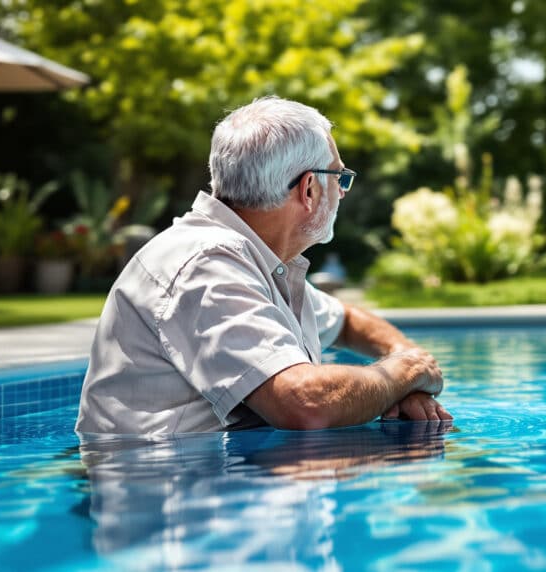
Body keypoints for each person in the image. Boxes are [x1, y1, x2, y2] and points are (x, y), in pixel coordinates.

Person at [75, 96, 451, 435]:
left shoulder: (256, 261)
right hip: (165, 485)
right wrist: (403, 373)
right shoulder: (206, 265)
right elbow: (304, 404)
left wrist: (406, 373)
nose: (341, 191)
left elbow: (349, 321)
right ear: (309, 189)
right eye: (339, 177)